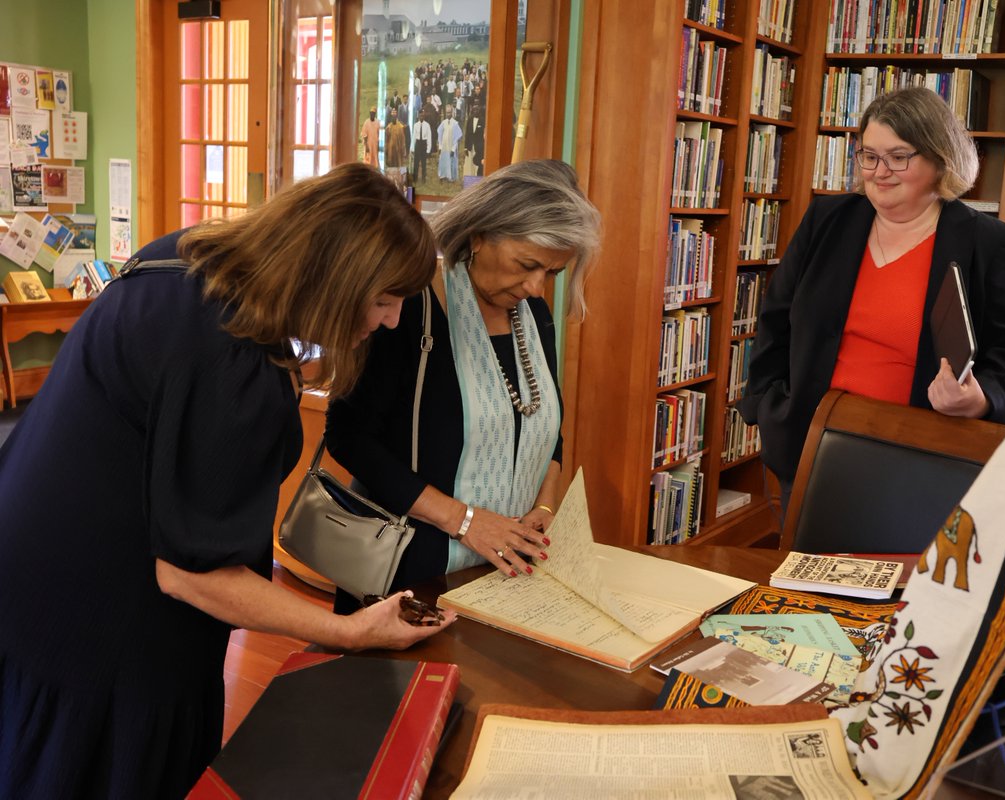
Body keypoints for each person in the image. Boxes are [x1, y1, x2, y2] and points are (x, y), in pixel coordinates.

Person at [0, 163, 455, 798]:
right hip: (103, 618)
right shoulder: (229, 357)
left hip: (29, 561)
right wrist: (350, 630)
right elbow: (191, 572)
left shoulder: (190, 258)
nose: (392, 322)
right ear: (329, 277)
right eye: (381, 299)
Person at [324, 159, 601, 614]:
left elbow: (547, 428)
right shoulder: (409, 308)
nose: (536, 287)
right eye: (528, 264)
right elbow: (348, 436)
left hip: (505, 571)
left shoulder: (535, 317)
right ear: (479, 235)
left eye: (552, 273)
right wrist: (467, 522)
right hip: (406, 567)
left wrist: (545, 509)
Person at [738, 88, 1005, 508]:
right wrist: (765, 406)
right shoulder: (827, 221)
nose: (880, 171)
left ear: (939, 159)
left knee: (896, 576)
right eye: (869, 156)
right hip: (811, 449)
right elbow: (776, 321)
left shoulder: (990, 243)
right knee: (802, 573)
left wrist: (980, 397)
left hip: (921, 465)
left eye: (899, 157)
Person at [437, 106, 463, 183]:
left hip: (451, 146)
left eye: (449, 112)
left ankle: (450, 177)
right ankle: (442, 175)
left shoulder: (455, 123)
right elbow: (440, 134)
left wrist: (453, 149)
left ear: (452, 113)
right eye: (447, 112)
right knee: (443, 160)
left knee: (451, 161)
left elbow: (456, 138)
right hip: (444, 146)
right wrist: (440, 146)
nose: (448, 114)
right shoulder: (443, 122)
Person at [411, 108, 434, 184]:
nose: (421, 117)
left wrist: (428, 150)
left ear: (424, 116)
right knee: (416, 163)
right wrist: (412, 148)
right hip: (417, 144)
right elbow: (414, 137)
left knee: (423, 163)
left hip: (424, 144)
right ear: (418, 116)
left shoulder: (427, 125)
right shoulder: (416, 125)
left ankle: (423, 179)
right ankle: (415, 178)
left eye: (422, 116)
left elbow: (429, 138)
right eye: (420, 115)